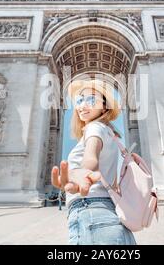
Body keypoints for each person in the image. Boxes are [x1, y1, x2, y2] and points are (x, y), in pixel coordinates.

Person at [51, 79, 137, 245]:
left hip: (90, 212)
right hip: (109, 213)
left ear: (105, 107)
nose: (83, 105)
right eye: (79, 100)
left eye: (91, 100)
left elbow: (91, 155)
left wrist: (84, 172)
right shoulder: (111, 132)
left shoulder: (94, 128)